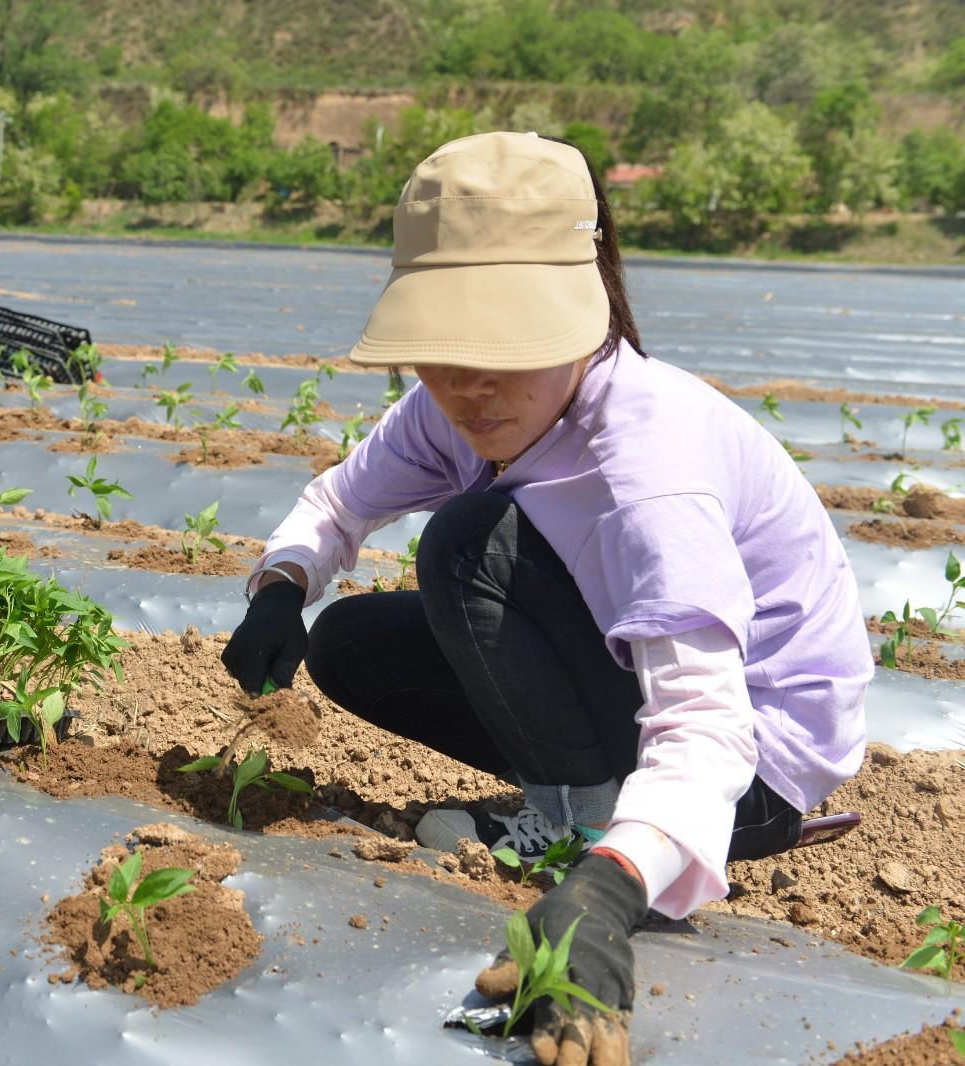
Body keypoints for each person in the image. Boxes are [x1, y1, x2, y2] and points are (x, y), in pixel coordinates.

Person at [220, 132, 870, 1066]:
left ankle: (595, 834)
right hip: (625, 685)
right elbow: (339, 500)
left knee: (469, 542)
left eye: (504, 352)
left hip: (752, 772)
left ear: (582, 310)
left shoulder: (650, 470)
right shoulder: (453, 409)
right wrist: (282, 586)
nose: (471, 390)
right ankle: (570, 809)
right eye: (443, 356)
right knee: (351, 638)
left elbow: (706, 725)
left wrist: (610, 890)